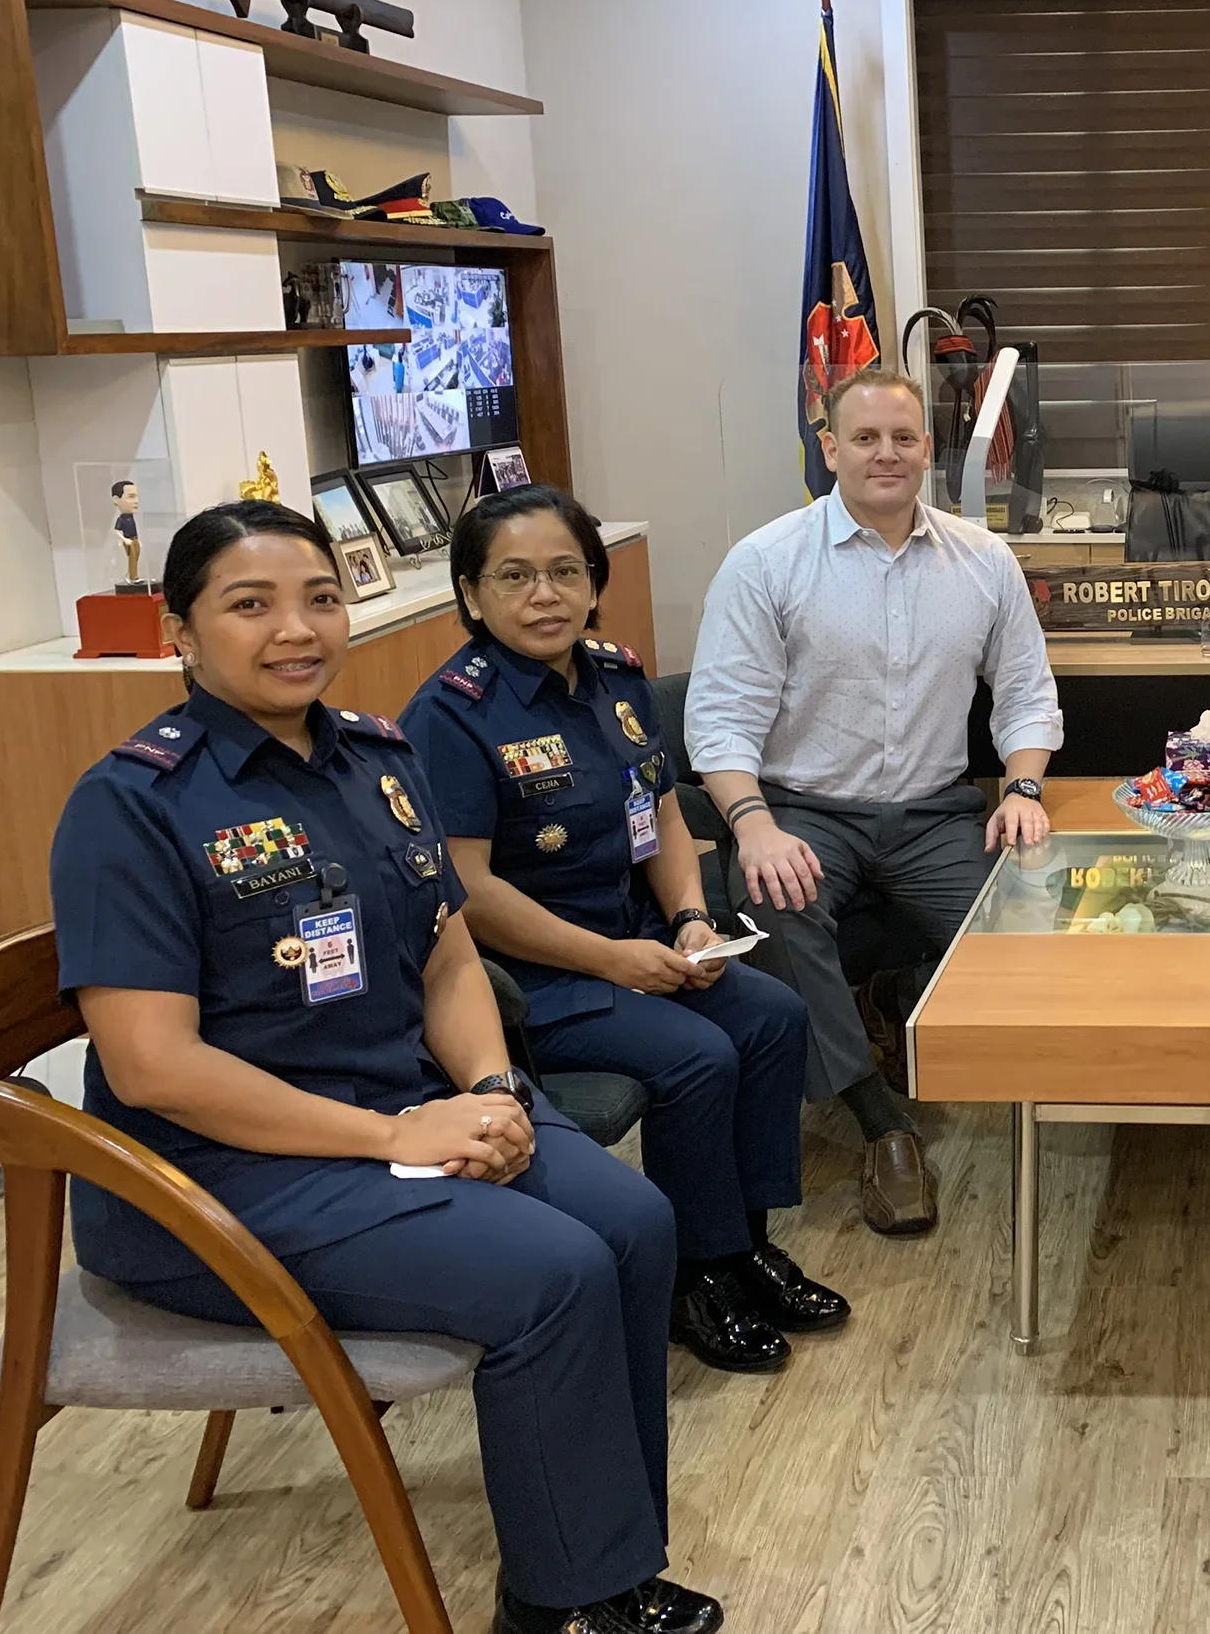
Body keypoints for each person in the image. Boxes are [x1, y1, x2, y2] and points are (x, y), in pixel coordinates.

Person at [48, 499, 721, 1634]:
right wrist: (396, 1138)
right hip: (218, 1176)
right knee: (555, 1271)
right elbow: (153, 1067)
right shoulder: (132, 806)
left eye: (319, 598)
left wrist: (495, 1090)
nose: (296, 629)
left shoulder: (375, 757)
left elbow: (447, 955)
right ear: (180, 631)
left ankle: (601, 1556)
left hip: (405, 1107)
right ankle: (567, 1601)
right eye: (249, 605)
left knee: (634, 1221)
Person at [400, 485, 842, 1377]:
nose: (545, 595)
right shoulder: (452, 714)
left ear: (594, 583)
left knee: (771, 1018)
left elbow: (662, 820)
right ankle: (692, 1277)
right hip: (531, 981)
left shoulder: (614, 678)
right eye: (515, 576)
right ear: (470, 594)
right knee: (696, 1056)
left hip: (640, 944)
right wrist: (614, 960)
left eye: (567, 571)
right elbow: (468, 891)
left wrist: (687, 919)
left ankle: (742, 1247)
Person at [686, 368, 1062, 1234]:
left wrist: (1024, 786)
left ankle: (1047, 1090)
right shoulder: (766, 562)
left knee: (1031, 909)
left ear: (927, 450)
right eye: (864, 438)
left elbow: (1026, 693)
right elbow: (721, 719)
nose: (885, 453)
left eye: (903, 437)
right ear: (830, 448)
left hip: (935, 811)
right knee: (776, 907)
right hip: (804, 810)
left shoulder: (983, 559)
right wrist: (752, 826)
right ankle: (878, 1118)